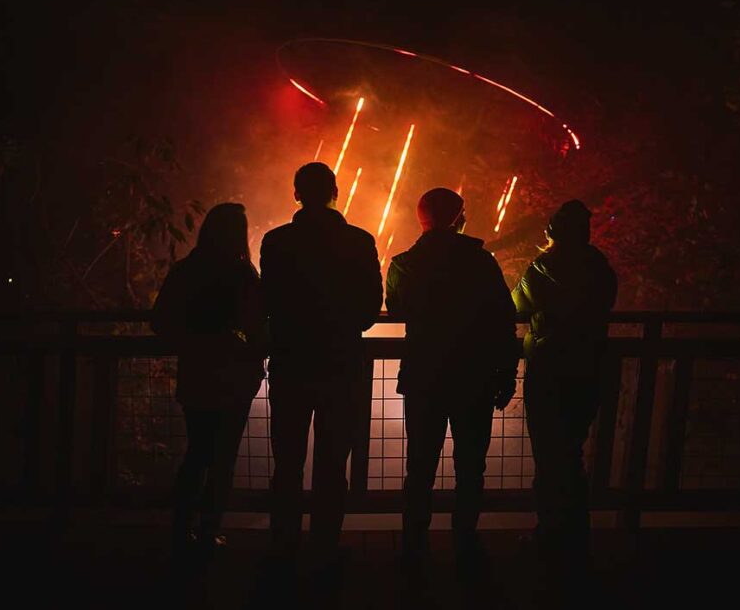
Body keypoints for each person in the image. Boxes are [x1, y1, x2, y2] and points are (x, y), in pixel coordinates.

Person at [385, 188, 519, 574]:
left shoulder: (403, 265)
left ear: (420, 219)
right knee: (471, 465)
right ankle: (465, 540)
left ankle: (413, 544)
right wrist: (506, 372)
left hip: (424, 377)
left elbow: (396, 308)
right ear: (459, 218)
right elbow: (502, 319)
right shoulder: (480, 262)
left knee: (420, 466)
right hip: (474, 377)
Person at [259, 162, 383, 579]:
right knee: (333, 464)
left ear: (296, 194)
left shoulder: (276, 242)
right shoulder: (360, 241)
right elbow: (368, 310)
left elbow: (269, 302)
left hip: (291, 363)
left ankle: (283, 547)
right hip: (341, 363)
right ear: (336, 191)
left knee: (288, 461)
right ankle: (324, 549)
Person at [151, 203, 267, 561]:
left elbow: (161, 321)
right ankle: (208, 529)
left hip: (197, 371)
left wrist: (192, 342)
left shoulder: (186, 270)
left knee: (197, 451)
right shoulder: (243, 274)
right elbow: (256, 327)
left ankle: (180, 526)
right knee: (223, 456)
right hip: (235, 374)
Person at [512, 200, 617, 580]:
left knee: (548, 454)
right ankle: (575, 536)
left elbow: (515, 305)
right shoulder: (601, 270)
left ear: (552, 233)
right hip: (588, 368)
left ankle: (550, 535)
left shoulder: (541, 269)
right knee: (572, 452)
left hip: (548, 369)